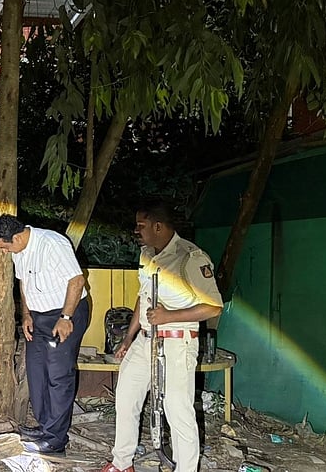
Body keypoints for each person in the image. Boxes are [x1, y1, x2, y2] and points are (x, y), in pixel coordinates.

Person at [100, 200, 223, 472]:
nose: (136, 231)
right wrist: (128, 338)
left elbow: (214, 306)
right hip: (145, 339)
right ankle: (122, 463)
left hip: (177, 341)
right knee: (126, 397)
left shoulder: (190, 257)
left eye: (141, 226)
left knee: (177, 410)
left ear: (158, 226)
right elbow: (143, 297)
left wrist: (169, 316)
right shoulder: (147, 254)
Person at [0, 214, 90, 456]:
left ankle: (56, 441)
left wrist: (65, 318)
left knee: (58, 375)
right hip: (38, 317)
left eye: (4, 247)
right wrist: (26, 314)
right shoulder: (19, 251)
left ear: (16, 237)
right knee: (37, 372)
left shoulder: (52, 243)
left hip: (65, 314)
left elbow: (77, 281)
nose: (4, 252)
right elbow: (24, 283)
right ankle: (46, 427)